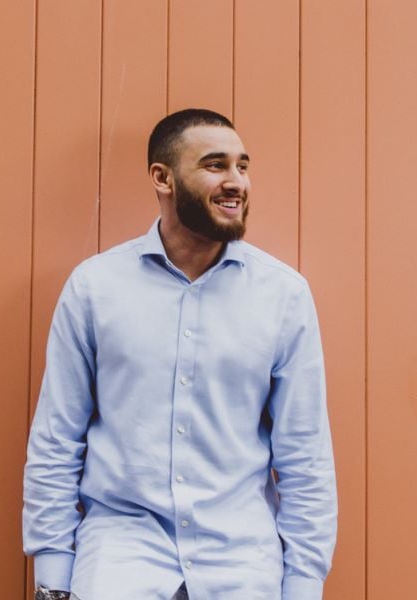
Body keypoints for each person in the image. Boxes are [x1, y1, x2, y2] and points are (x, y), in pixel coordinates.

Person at [23, 109, 337, 600]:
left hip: (242, 562)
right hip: (119, 561)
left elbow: (305, 456)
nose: (236, 182)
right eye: (215, 165)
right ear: (162, 178)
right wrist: (52, 577)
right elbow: (56, 439)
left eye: (243, 166)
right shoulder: (95, 288)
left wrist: (303, 583)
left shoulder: (284, 296)